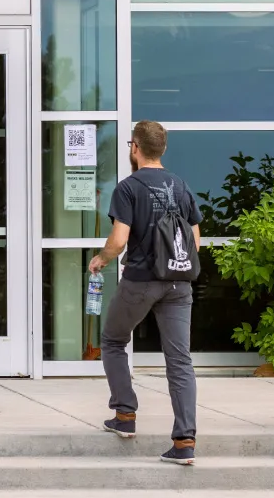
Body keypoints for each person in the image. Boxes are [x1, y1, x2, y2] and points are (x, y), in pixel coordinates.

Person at [86, 119, 201, 465]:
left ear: (135, 147)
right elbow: (195, 241)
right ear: (162, 149)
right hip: (179, 283)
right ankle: (184, 442)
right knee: (179, 360)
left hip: (140, 281)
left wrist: (101, 259)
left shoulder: (128, 187)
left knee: (113, 340)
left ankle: (124, 415)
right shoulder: (181, 186)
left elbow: (119, 240)